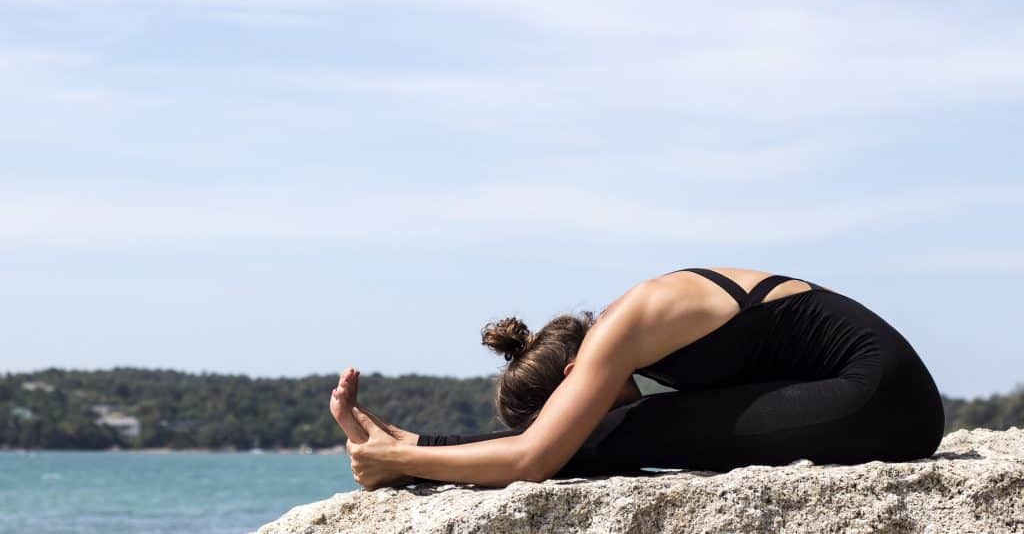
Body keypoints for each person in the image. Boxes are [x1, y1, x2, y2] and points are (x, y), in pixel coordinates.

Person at [329, 266, 945, 490]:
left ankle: (406, 450)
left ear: (575, 377)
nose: (585, 414)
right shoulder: (640, 330)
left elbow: (532, 460)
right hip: (881, 399)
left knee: (622, 434)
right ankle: (409, 445)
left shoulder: (622, 331)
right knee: (628, 430)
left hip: (879, 398)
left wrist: (408, 460)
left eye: (573, 407)